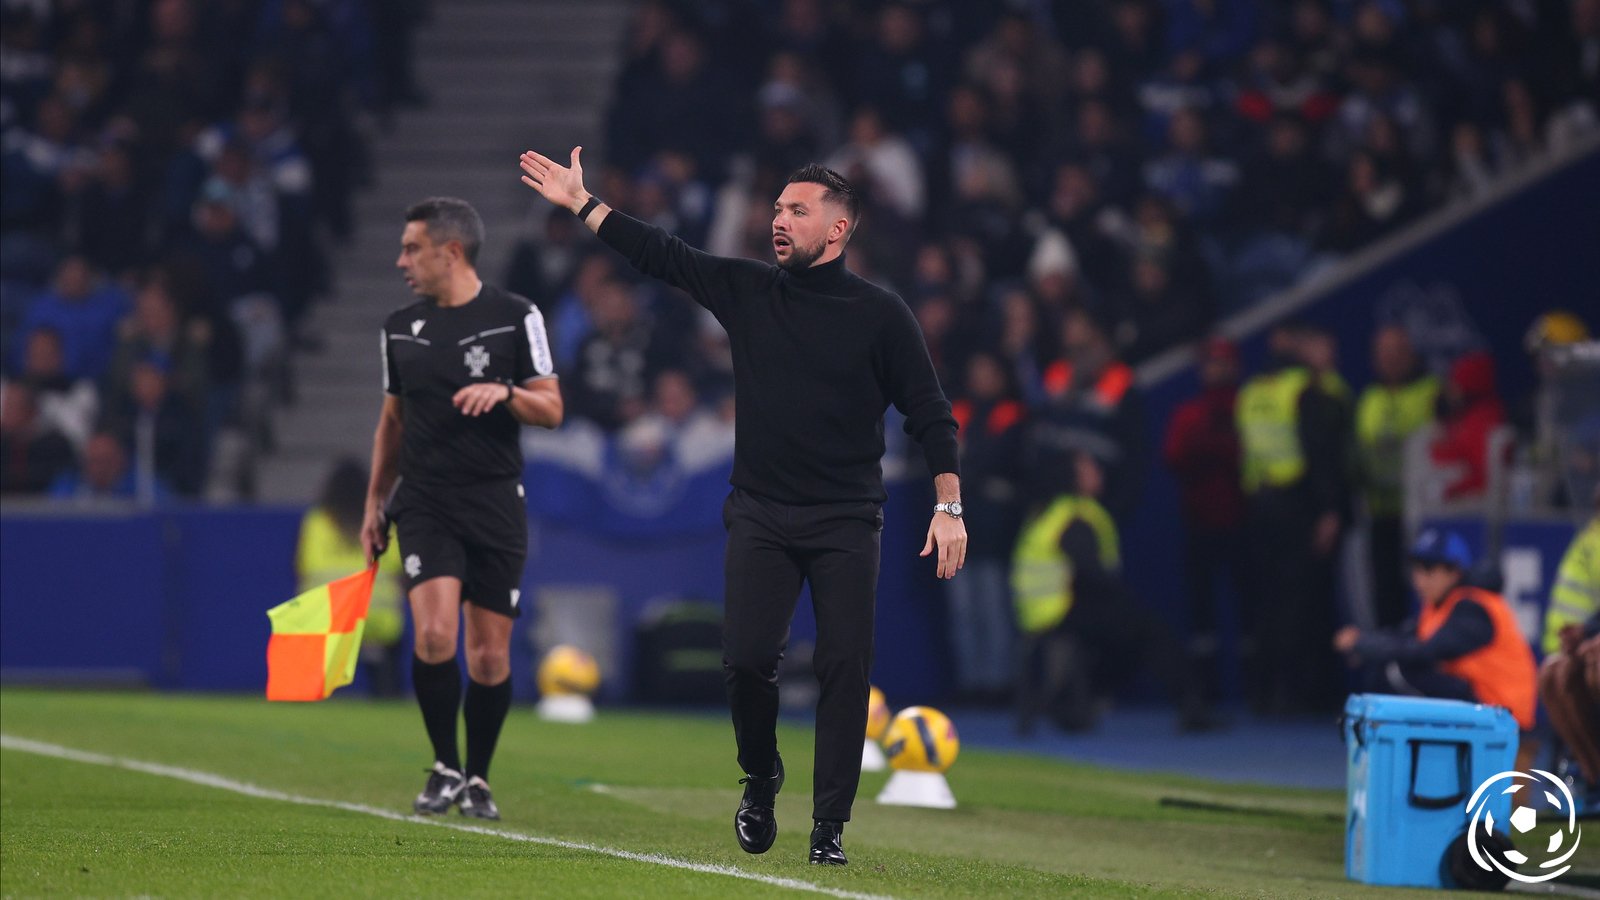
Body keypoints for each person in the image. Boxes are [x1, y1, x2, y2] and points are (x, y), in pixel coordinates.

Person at [519, 149, 964, 867]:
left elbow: (931, 415)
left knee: (846, 666)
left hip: (848, 518)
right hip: (760, 511)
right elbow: (662, 254)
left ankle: (829, 828)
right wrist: (583, 203)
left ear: (840, 228)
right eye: (778, 209)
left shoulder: (883, 316)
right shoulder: (749, 289)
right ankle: (761, 778)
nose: (778, 221)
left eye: (797, 211)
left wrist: (951, 507)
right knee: (747, 661)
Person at [359, 197, 565, 822]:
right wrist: (375, 498)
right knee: (435, 633)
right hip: (424, 500)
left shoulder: (515, 316)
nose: (402, 261)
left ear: (451, 252)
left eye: (412, 248)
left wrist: (504, 392)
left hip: (495, 500)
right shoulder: (399, 328)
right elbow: (391, 421)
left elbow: (552, 408)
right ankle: (445, 765)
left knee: (489, 656)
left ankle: (478, 776)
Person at [1012, 452, 1214, 734]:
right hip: (1060, 609)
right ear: (1073, 478)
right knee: (1149, 630)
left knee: (1129, 634)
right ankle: (1192, 708)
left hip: (1039, 610)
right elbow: (1092, 574)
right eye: (1089, 468)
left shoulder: (1046, 511)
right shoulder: (1075, 516)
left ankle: (1074, 701)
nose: (1098, 472)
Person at [1236, 322, 1347, 714]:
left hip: (1260, 504)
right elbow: (1321, 452)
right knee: (1301, 602)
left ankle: (1264, 691)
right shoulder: (1305, 391)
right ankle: (1296, 692)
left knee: (1268, 602)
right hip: (1297, 507)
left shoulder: (1250, 393)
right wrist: (1331, 510)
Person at [1333, 529, 1536, 730]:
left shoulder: (1473, 606)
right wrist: (1363, 644)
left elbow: (1426, 651)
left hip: (1504, 713)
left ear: (1454, 572)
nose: (1419, 581)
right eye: (1416, 570)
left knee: (1400, 670)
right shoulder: (1439, 605)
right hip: (1485, 705)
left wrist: (1361, 644)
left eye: (1429, 570)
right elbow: (1402, 637)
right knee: (1386, 664)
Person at [1162, 336, 1246, 704]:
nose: (1215, 369)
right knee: (1202, 618)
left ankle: (1260, 691)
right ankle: (1206, 694)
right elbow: (1173, 456)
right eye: (1209, 363)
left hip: (1244, 522)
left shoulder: (1248, 406)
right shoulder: (1190, 412)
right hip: (1199, 523)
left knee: (1252, 612)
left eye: (1221, 362)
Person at [1354, 325, 1438, 627]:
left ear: (1410, 355)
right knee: (1384, 598)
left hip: (1421, 516)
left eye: (1396, 353)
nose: (1389, 360)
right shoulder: (1369, 398)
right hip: (1380, 514)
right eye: (1382, 354)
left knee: (1424, 597)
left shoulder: (1430, 392)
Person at [301, 458, 404, 696]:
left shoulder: (316, 524)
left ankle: (310, 694)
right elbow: (399, 569)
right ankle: (388, 696)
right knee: (387, 679)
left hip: (329, 621)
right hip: (378, 623)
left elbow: (302, 568)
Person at [1540, 495, 1600, 795]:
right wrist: (1586, 632)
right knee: (1553, 674)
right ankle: (1592, 775)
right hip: (1571, 642)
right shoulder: (1592, 536)